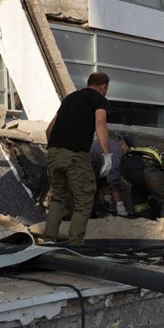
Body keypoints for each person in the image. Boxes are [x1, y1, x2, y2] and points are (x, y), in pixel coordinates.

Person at [43, 72, 112, 245]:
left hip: (53, 151)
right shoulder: (99, 100)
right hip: (75, 154)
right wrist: (107, 153)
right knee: (84, 198)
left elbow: (49, 129)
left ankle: (49, 240)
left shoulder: (70, 98)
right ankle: (76, 244)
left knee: (59, 197)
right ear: (103, 87)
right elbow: (100, 124)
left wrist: (54, 148)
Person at [119, 145, 164, 220]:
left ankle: (144, 220)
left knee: (140, 189)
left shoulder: (153, 151)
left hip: (125, 165)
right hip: (146, 166)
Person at [92, 132, 132, 216]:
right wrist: (119, 204)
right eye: (127, 150)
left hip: (89, 164)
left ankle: (106, 203)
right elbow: (112, 178)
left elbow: (103, 175)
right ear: (122, 144)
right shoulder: (117, 151)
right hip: (87, 168)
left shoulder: (110, 145)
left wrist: (108, 198)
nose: (126, 153)